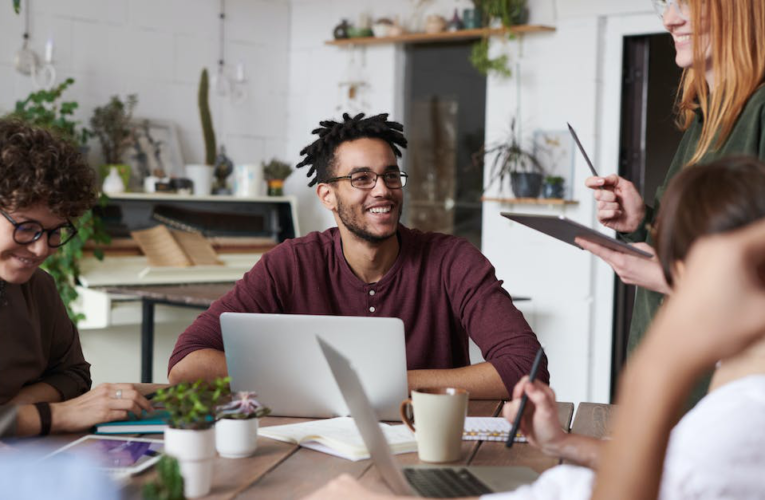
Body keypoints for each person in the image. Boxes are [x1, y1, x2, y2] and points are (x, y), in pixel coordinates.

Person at [302, 157, 765, 500]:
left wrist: (661, 367)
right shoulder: (737, 404)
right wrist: (566, 444)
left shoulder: (743, 419)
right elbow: (673, 470)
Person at [168, 113, 547, 399]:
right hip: (313, 447)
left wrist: (376, 382)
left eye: (391, 176)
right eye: (361, 178)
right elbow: (187, 363)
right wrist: (314, 379)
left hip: (425, 443)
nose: (382, 190)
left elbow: (525, 367)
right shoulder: (291, 263)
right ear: (327, 196)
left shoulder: (452, 260)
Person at [579, 0, 765, 358]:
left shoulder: (760, 113)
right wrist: (639, 222)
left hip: (725, 390)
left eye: (688, 5)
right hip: (666, 370)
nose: (669, 20)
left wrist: (667, 277)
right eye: (666, 4)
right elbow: (686, 246)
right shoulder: (704, 120)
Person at [0, 119, 151, 437]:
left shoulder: (39, 287)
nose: (42, 248)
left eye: (56, 232)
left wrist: (18, 409)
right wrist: (55, 415)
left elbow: (74, 374)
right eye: (27, 227)